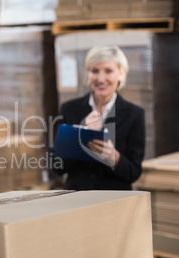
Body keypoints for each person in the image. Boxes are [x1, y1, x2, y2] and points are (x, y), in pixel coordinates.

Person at [53, 45, 145, 190]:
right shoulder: (69, 109)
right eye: (95, 71)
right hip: (78, 196)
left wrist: (114, 158)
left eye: (108, 71)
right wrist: (82, 134)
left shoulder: (134, 114)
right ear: (88, 74)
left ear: (121, 73)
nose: (101, 79)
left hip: (115, 199)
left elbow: (134, 172)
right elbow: (58, 167)